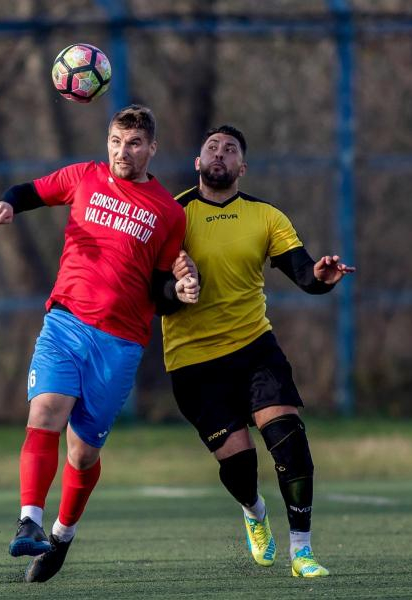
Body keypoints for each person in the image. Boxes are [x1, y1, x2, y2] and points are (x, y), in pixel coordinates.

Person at [0, 105, 199, 583]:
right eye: (116, 141)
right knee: (45, 412)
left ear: (152, 148)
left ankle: (62, 535)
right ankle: (29, 521)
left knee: (81, 454)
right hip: (65, 322)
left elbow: (160, 292)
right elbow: (29, 191)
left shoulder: (168, 212)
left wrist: (179, 291)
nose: (123, 152)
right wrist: (9, 204)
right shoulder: (85, 177)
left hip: (120, 342)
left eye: (134, 143)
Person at [162, 125, 355, 578]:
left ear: (242, 167)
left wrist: (321, 278)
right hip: (193, 362)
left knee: (291, 443)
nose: (220, 154)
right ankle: (253, 510)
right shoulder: (171, 215)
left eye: (230, 149)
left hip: (254, 349)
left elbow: (303, 273)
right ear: (197, 161)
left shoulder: (266, 216)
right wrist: (176, 289)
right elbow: (152, 293)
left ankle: (302, 551)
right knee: (240, 467)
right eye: (212, 147)